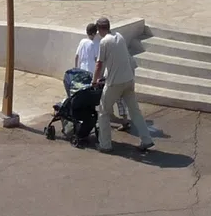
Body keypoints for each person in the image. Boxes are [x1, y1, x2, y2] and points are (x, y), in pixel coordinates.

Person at [91, 16, 154, 154]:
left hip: (115, 83)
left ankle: (105, 144)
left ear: (99, 29)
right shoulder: (119, 36)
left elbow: (99, 64)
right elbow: (116, 59)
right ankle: (146, 139)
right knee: (135, 111)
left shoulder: (104, 42)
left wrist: (94, 80)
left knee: (103, 111)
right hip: (129, 79)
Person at [64, 22, 100, 92]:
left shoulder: (82, 41)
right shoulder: (92, 44)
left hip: (82, 67)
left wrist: (76, 68)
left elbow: (76, 56)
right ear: (93, 34)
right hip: (91, 68)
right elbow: (96, 59)